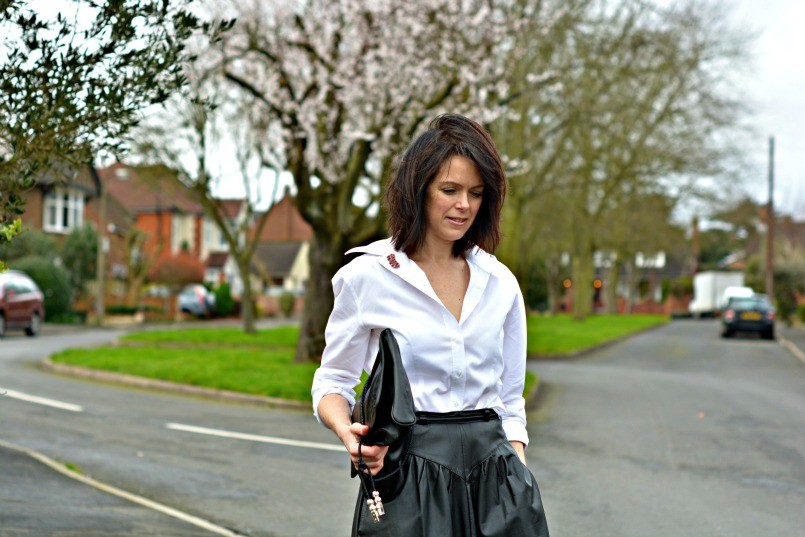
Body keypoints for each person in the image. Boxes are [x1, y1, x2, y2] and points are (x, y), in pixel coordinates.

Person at [312, 113, 549, 536]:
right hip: (409, 474)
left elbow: (510, 402)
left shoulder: (501, 283)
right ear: (417, 191)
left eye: (476, 193)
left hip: (496, 479)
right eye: (450, 190)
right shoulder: (367, 276)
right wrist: (349, 434)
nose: (464, 205)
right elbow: (333, 379)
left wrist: (518, 472)